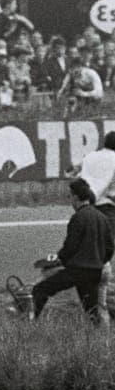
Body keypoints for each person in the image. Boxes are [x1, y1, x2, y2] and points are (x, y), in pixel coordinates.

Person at [32, 179, 114, 323]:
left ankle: (30, 321)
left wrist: (57, 260)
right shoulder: (102, 218)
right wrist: (98, 261)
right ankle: (98, 337)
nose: (70, 201)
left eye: (70, 196)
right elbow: (110, 248)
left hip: (77, 271)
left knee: (40, 290)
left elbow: (70, 248)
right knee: (92, 310)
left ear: (76, 197)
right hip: (95, 271)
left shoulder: (78, 218)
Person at [75, 131, 115, 324]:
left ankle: (94, 307)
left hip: (85, 208)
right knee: (105, 257)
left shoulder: (91, 156)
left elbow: (79, 179)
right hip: (106, 208)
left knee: (89, 255)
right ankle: (103, 307)